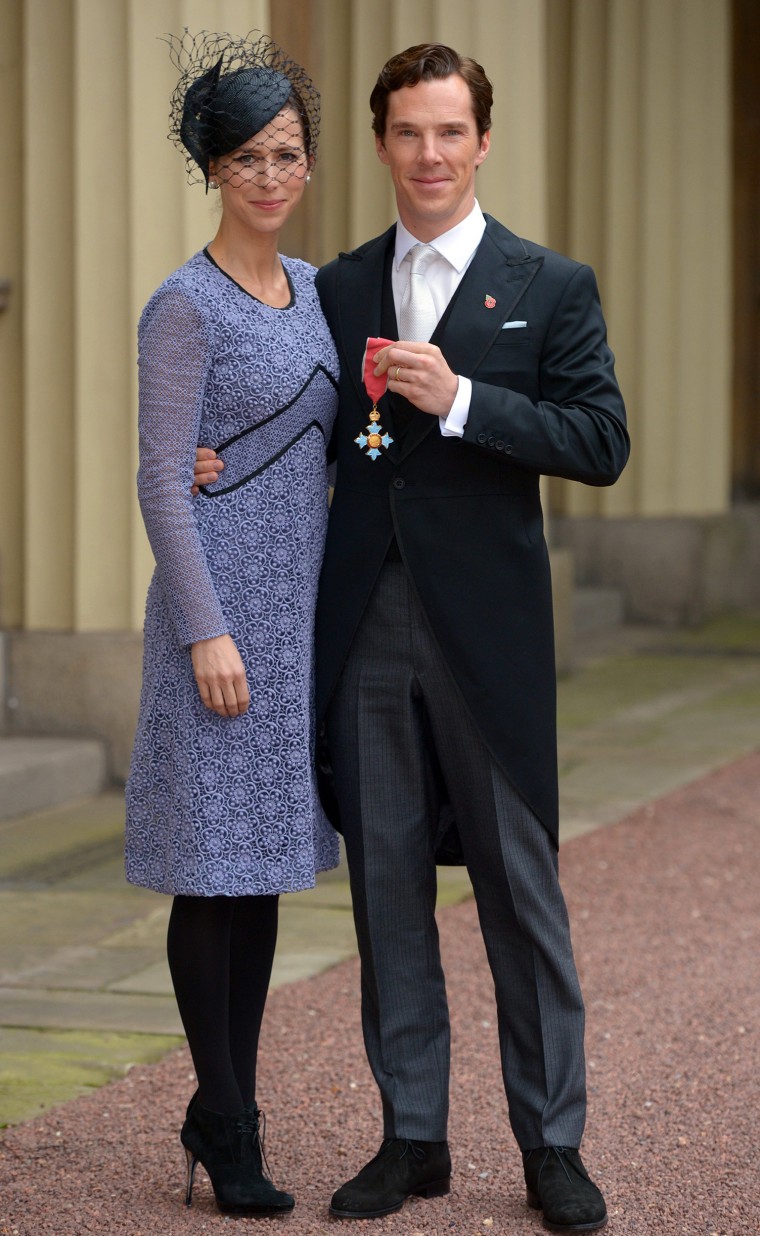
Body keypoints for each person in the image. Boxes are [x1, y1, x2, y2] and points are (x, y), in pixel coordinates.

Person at [195, 41, 629, 1232]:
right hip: (364, 624)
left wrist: (470, 402)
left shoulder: (551, 284)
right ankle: (414, 1137)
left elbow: (602, 440)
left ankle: (550, 1144)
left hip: (487, 634)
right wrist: (211, 458)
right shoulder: (336, 288)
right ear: (382, 145)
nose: (428, 154)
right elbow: (288, 416)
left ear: (482, 141)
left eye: (449, 132)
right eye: (406, 133)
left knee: (518, 894)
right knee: (386, 889)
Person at [124, 30, 339, 1217]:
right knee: (210, 873)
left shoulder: (317, 290)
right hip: (218, 619)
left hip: (299, 612)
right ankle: (231, 1122)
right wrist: (206, 628)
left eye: (288, 154)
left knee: (256, 873)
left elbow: (343, 434)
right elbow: (163, 479)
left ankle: (222, 1105)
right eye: (247, 157)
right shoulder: (181, 308)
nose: (269, 175)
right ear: (212, 167)